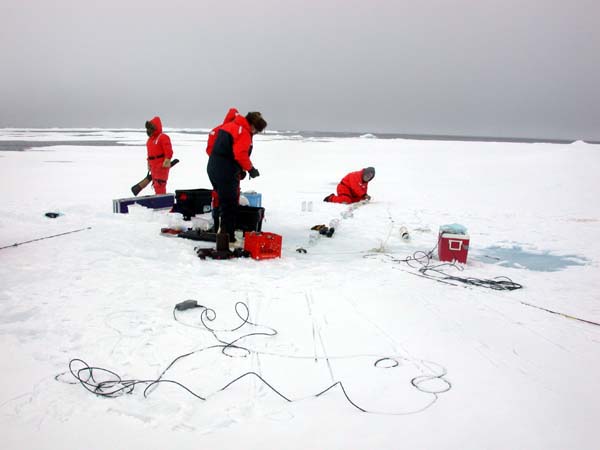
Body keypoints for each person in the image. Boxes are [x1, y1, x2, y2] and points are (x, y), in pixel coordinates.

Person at [207, 111, 267, 242]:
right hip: (225, 170)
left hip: (213, 167)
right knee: (229, 204)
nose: (255, 133)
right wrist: (250, 169)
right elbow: (240, 154)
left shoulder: (228, 126)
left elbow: (218, 149)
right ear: (252, 125)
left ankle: (219, 230)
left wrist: (239, 170)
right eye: (256, 131)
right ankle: (226, 238)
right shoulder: (243, 132)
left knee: (222, 200)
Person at [205, 108, 240, 232]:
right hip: (229, 170)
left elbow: (209, 150)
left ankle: (217, 224)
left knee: (217, 195)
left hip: (214, 168)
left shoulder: (215, 131)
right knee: (230, 198)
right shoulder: (235, 132)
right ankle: (227, 229)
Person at [145, 116, 174, 194]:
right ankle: (160, 201)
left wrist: (167, 159)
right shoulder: (150, 140)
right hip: (153, 166)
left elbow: (168, 150)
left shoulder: (163, 137)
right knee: (156, 185)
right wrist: (148, 163)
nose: (148, 130)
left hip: (161, 165)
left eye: (150, 128)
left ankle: (163, 203)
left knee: (160, 184)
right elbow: (149, 153)